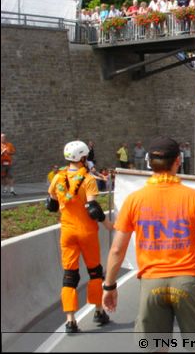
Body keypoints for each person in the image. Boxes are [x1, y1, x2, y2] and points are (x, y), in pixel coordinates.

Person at [102, 137, 195, 336]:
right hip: (188, 281)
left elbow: (117, 249)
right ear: (178, 161)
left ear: (149, 162)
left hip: (151, 282)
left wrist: (110, 285)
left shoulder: (134, 200)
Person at [47, 140, 113, 333]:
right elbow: (93, 209)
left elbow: (50, 205)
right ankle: (99, 312)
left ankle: (70, 320)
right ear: (83, 157)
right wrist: (108, 224)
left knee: (69, 275)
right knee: (94, 271)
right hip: (86, 232)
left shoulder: (57, 178)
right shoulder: (88, 179)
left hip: (67, 232)